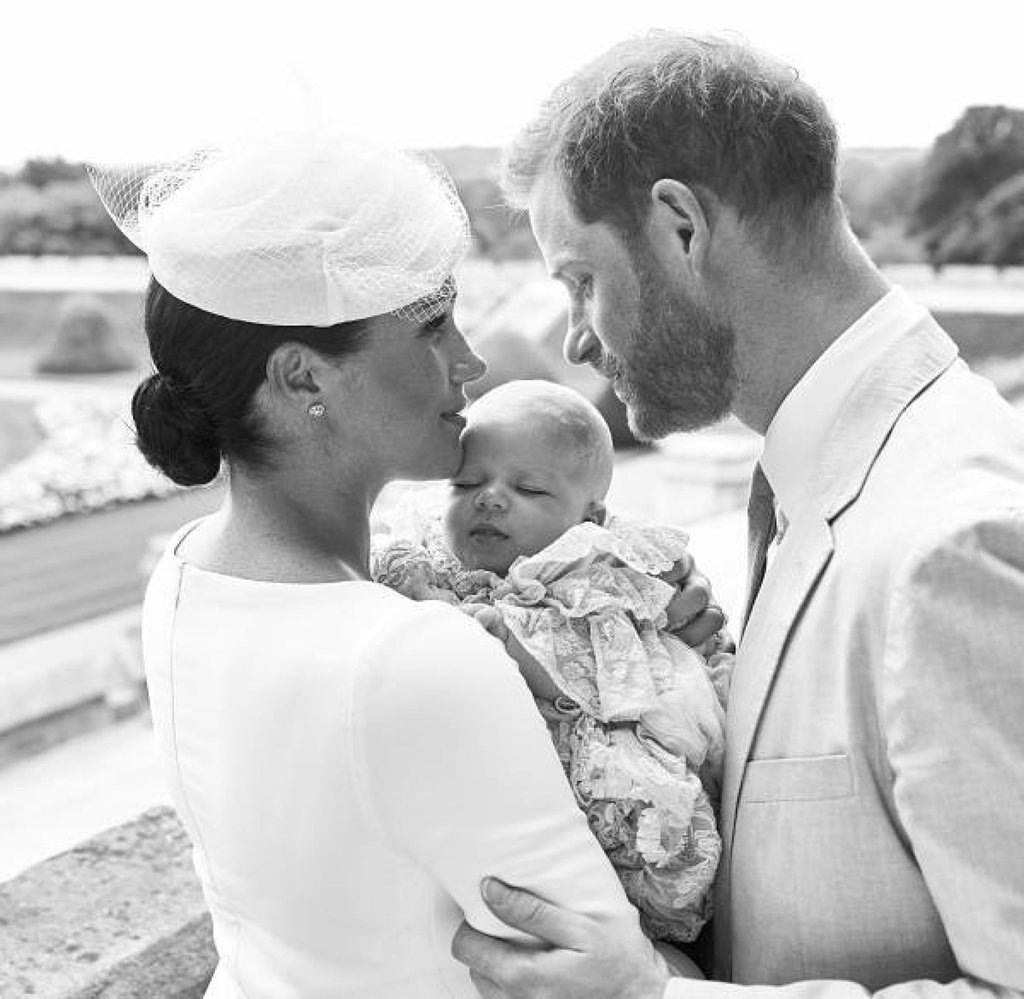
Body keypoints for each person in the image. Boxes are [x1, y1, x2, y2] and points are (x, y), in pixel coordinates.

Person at [450, 31, 1024, 999]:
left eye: (581, 281)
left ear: (679, 227)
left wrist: (655, 997)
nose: (579, 340)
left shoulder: (951, 542)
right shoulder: (822, 484)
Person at [91, 130, 720, 997]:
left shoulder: (187, 570)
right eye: (432, 327)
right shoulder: (419, 653)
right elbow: (607, 973)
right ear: (303, 376)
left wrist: (625, 612)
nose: (469, 360)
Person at [373, 379, 733, 948]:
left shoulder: (592, 574)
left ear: (590, 515)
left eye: (531, 489)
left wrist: (493, 633)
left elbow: (598, 669)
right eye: (466, 482)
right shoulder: (424, 552)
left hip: (594, 755)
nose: (489, 497)